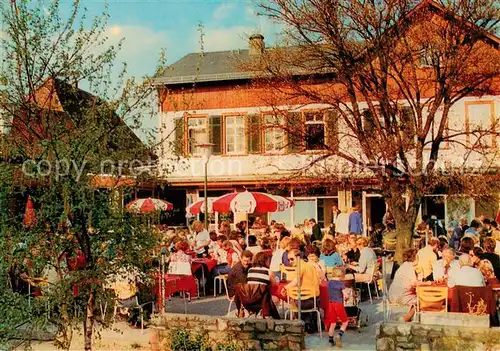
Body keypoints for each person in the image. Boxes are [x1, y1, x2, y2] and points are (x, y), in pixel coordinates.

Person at [282, 249, 320, 334]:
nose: (290, 262)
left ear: (298, 257)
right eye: (288, 260)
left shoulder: (300, 266)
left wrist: (285, 288)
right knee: (295, 296)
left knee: (291, 297)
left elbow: (296, 281)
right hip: (314, 300)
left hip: (306, 301)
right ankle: (307, 322)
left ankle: (299, 324)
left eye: (292, 259)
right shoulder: (309, 265)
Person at [388, 249, 420, 322]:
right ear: (414, 257)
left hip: (393, 294)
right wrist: (427, 283)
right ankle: (406, 318)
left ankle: (408, 317)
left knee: (417, 297)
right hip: (400, 296)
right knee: (421, 301)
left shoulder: (404, 265)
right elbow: (415, 283)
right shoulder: (409, 267)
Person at [325, 267, 349, 348]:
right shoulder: (341, 284)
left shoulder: (329, 283)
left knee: (333, 323)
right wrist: (347, 296)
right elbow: (345, 295)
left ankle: (330, 341)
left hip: (330, 304)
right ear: (341, 275)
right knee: (345, 322)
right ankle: (339, 335)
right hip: (338, 304)